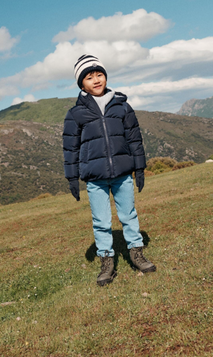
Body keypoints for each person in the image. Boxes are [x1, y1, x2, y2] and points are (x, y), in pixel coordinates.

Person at [63, 54, 156, 286]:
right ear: (81, 83)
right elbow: (70, 148)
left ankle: (136, 254)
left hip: (122, 175)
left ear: (105, 76)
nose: (96, 80)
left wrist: (140, 168)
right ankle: (107, 262)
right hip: (95, 179)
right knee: (101, 221)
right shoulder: (75, 114)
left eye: (99, 74)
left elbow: (135, 140)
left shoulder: (122, 106)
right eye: (89, 77)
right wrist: (72, 178)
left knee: (129, 215)